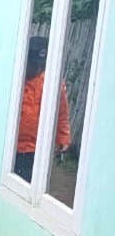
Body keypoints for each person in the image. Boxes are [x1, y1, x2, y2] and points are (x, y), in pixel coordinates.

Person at [14, 36, 71, 182]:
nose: (36, 69)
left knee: (32, 182)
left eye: (41, 65)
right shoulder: (15, 80)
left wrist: (63, 137)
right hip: (13, 146)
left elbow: (62, 113)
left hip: (37, 148)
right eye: (33, 65)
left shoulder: (53, 84)